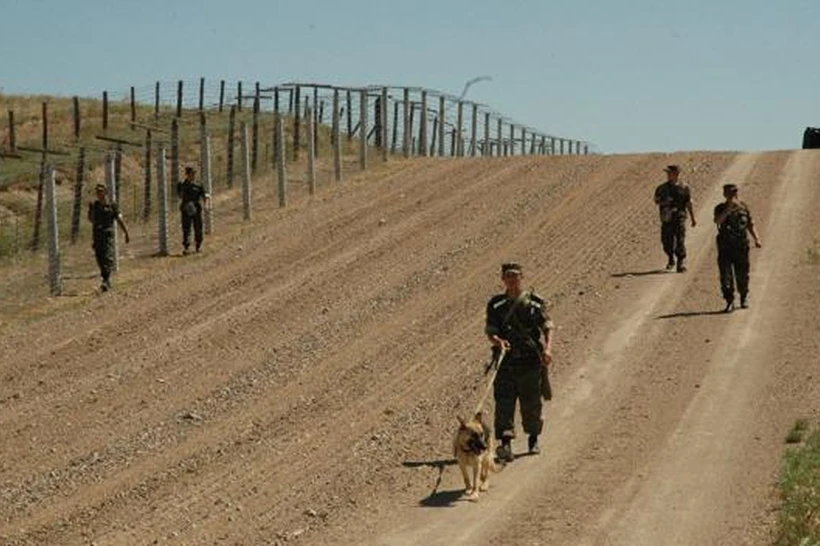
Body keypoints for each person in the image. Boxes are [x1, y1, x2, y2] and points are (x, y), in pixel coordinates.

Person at [485, 262, 554, 462]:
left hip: (530, 361)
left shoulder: (534, 303)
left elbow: (547, 326)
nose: (512, 280)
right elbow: (491, 331)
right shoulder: (496, 305)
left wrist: (548, 349)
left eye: (515, 276)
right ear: (503, 279)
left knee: (531, 403)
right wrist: (498, 341)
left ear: (522, 277)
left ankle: (533, 439)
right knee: (504, 403)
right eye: (508, 276)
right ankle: (505, 444)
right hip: (506, 362)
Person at [713, 183, 762, 312]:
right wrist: (728, 210)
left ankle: (743, 297)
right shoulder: (720, 208)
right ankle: (729, 301)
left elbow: (750, 224)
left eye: (734, 192)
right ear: (724, 194)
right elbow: (717, 221)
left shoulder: (744, 207)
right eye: (729, 193)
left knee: (743, 274)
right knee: (726, 276)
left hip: (741, 246)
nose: (732, 195)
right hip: (725, 247)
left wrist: (756, 238)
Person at [653, 165, 696, 272]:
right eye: (667, 173)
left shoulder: (684, 188)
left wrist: (692, 218)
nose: (668, 175)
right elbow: (656, 201)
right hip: (667, 218)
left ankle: (680, 263)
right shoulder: (661, 188)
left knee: (680, 240)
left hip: (679, 217)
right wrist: (665, 202)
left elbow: (688, 203)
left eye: (670, 173)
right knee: (666, 242)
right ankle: (671, 258)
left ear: (676, 174)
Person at [87, 183, 130, 292]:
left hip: (107, 234)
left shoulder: (112, 206)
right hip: (97, 235)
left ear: (105, 192)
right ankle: (105, 279)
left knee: (107, 256)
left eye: (101, 191)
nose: (99, 194)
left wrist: (126, 233)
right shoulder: (95, 205)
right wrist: (90, 210)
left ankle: (106, 280)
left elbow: (120, 220)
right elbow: (91, 220)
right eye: (97, 192)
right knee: (99, 257)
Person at [177, 166, 210, 254]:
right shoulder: (182, 184)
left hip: (196, 208)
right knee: (186, 228)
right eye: (192, 174)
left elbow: (205, 195)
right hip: (186, 208)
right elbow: (179, 196)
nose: (193, 175)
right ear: (187, 174)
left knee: (198, 227)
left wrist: (206, 205)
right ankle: (186, 247)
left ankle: (198, 246)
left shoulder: (198, 184)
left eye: (194, 173)